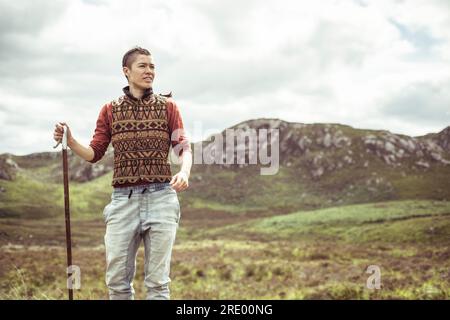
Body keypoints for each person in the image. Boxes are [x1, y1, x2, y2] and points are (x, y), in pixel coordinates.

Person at [53, 46, 192, 300]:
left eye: (152, 66)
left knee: (158, 284)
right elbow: (94, 153)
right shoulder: (110, 110)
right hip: (122, 201)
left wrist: (184, 171)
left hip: (161, 198)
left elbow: (183, 148)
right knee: (117, 283)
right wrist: (70, 140)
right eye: (143, 66)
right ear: (126, 71)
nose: (149, 71)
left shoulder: (168, 107)